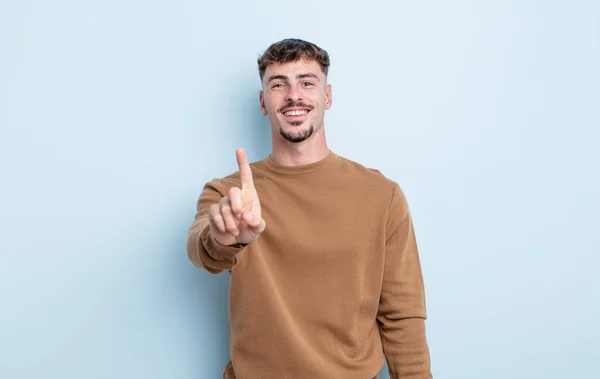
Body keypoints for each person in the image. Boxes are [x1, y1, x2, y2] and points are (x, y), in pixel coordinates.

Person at [186, 38, 432, 379]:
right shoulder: (231, 194)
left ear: (327, 97)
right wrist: (223, 238)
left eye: (307, 82)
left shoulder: (381, 195)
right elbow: (201, 250)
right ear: (263, 102)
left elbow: (402, 314)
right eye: (278, 84)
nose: (293, 95)